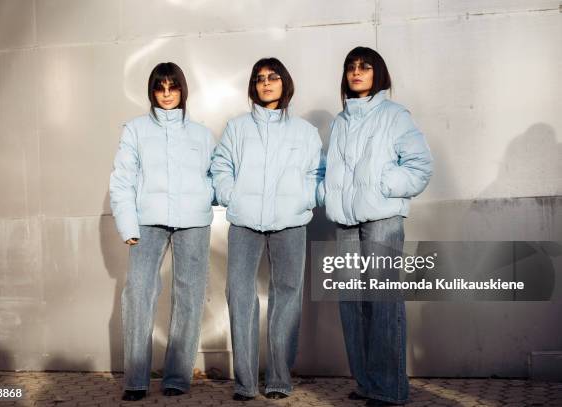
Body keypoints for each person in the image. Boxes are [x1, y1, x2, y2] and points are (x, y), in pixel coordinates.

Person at [324, 47, 433, 405]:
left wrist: (385, 188)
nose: (356, 72)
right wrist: (326, 193)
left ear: (377, 73)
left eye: (364, 67)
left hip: (382, 220)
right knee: (351, 303)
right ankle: (367, 383)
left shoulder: (394, 115)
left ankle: (390, 390)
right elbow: (330, 170)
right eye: (351, 67)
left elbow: (419, 166)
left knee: (382, 302)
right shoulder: (340, 121)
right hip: (346, 222)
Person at [211, 57, 325, 401]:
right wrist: (234, 198)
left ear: (284, 83)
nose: (266, 83)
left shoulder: (305, 131)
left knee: (286, 297)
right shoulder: (236, 128)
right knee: (239, 295)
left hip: (290, 222)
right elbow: (221, 167)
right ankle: (245, 382)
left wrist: (303, 201)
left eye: (273, 77)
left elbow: (317, 174)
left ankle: (279, 378)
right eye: (259, 78)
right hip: (245, 222)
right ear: (253, 86)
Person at [109, 62, 215, 402]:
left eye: (173, 87)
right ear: (152, 91)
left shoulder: (202, 134)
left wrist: (204, 197)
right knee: (139, 293)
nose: (167, 94)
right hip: (147, 220)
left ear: (183, 90)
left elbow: (215, 175)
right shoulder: (136, 130)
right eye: (160, 88)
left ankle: (177, 377)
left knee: (189, 296)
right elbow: (122, 179)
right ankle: (136, 380)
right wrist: (128, 225)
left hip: (194, 221)